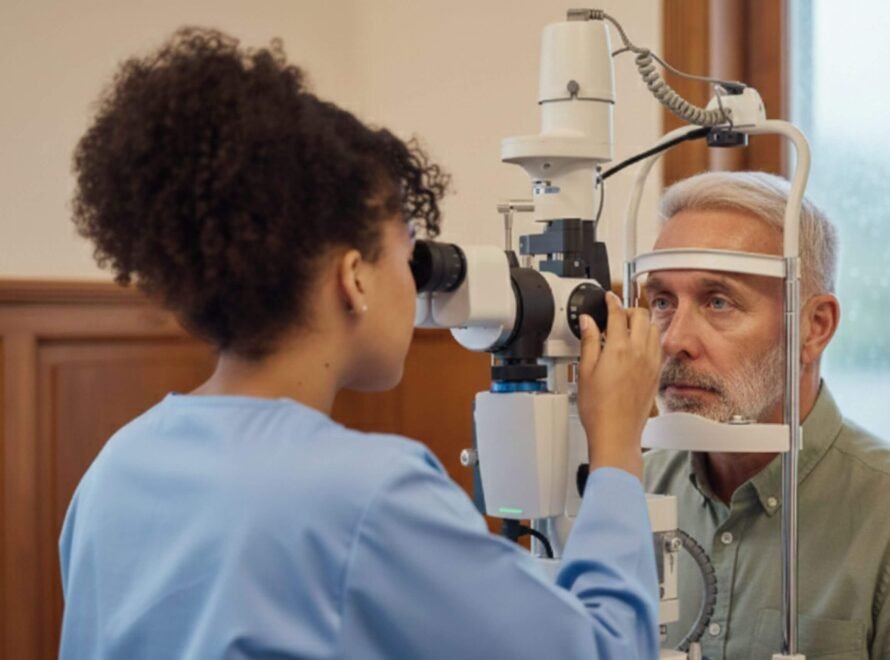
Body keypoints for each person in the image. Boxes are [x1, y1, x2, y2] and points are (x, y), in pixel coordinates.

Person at [59, 28, 664, 659]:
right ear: (353, 277)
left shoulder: (115, 469)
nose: (415, 280)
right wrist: (617, 447)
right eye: (408, 249)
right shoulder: (367, 497)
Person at [643, 170, 890, 659]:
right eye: (662, 301)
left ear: (814, 328)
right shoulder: (629, 491)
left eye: (718, 302)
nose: (674, 340)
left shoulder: (880, 519)